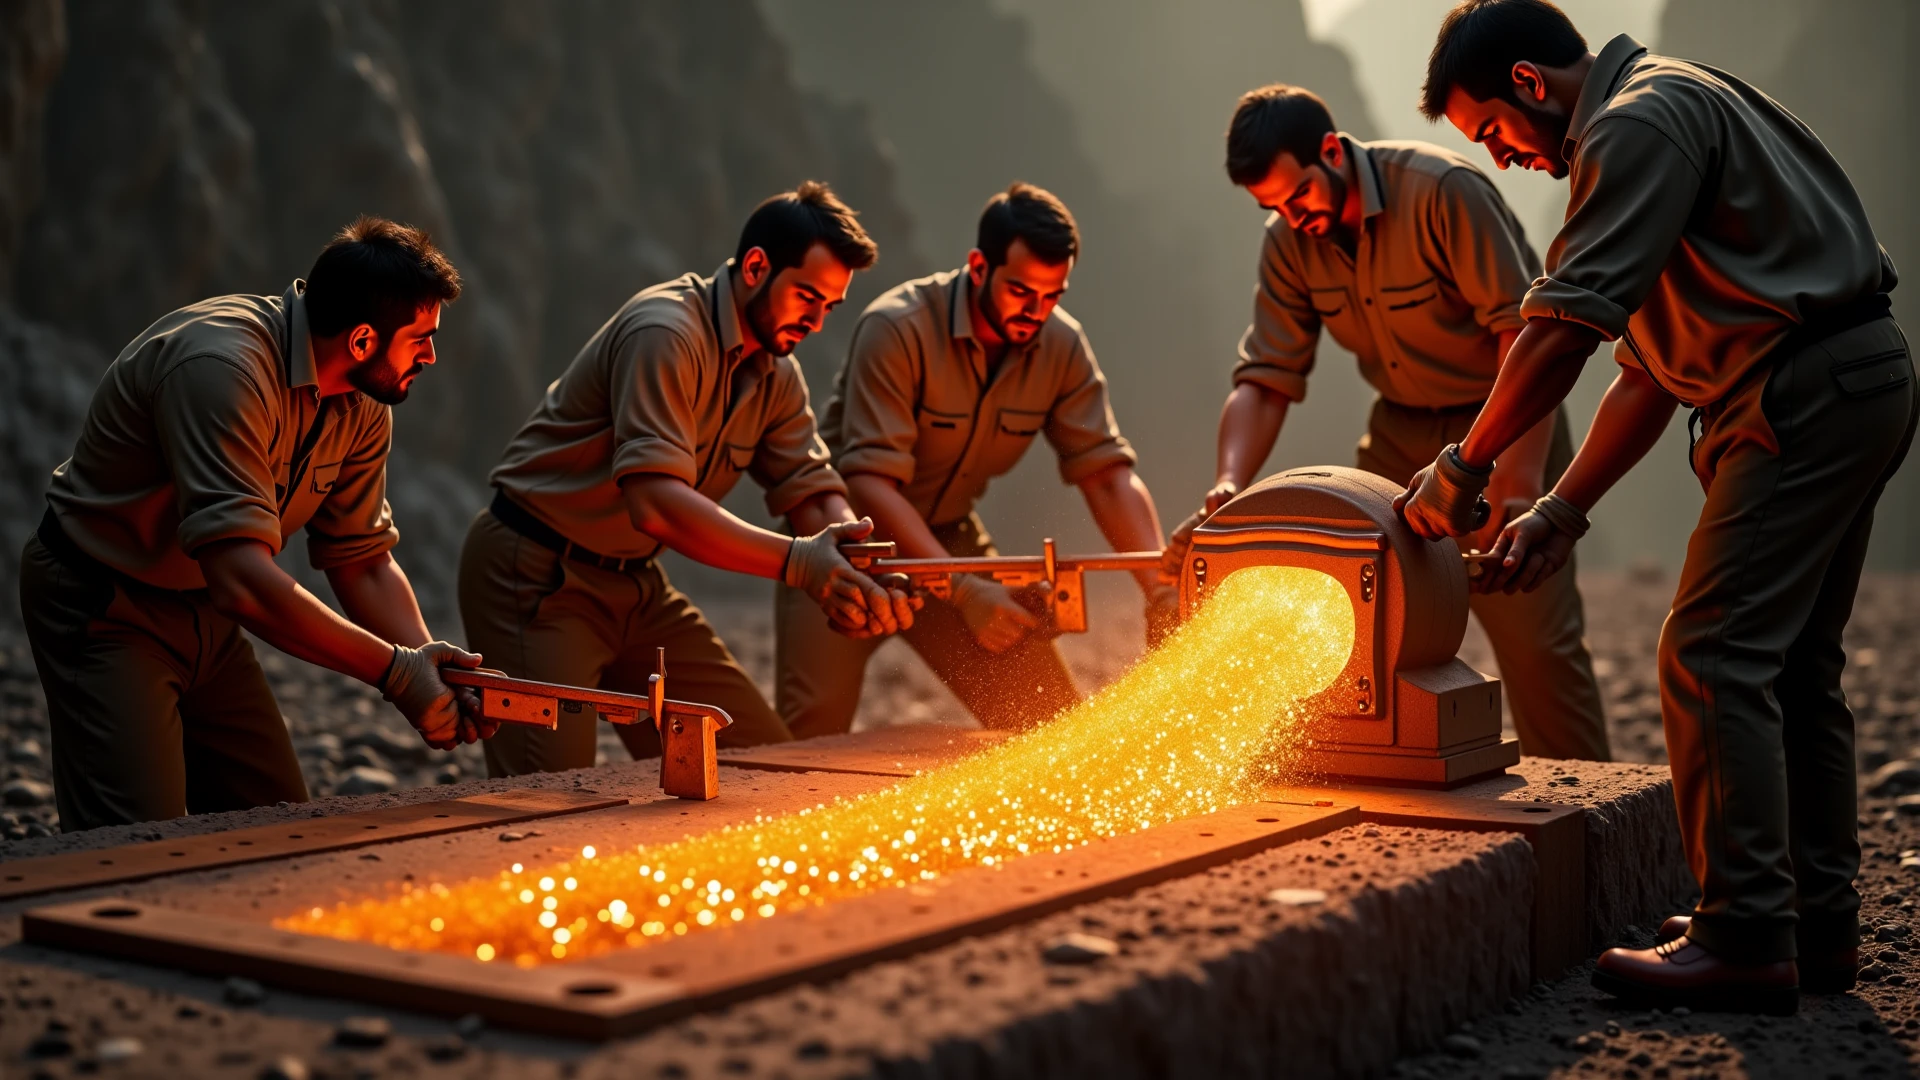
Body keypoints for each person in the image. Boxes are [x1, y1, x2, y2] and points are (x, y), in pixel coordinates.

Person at [1406, 0, 1913, 1011]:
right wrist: (1559, 509)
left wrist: (1462, 464)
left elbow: (1562, 330)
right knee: (1793, 664)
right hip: (1851, 376)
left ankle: (1744, 937)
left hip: (1794, 392)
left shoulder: (1632, 125)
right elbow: (1644, 371)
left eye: (1493, 134)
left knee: (1711, 653)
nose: (1503, 160)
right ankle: (1815, 928)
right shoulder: (1681, 100)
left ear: (1528, 85)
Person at [1166, 83, 1608, 760]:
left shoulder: (1442, 192)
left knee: (1535, 637)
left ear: (1332, 151)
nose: (1292, 216)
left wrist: (1514, 486)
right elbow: (1266, 378)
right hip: (1398, 435)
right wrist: (1227, 488)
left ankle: (1586, 806)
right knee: (1361, 626)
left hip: (1504, 417)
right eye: (1273, 207)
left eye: (1298, 195)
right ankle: (1374, 777)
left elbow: (1520, 335)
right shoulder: (1288, 240)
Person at [21, 216, 489, 831]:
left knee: (277, 826)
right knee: (131, 848)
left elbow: (362, 558)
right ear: (361, 340)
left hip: (211, 615)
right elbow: (242, 578)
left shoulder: (363, 401)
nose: (430, 355)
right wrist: (396, 675)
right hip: (105, 604)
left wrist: (429, 666)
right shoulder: (223, 369)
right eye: (420, 338)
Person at [464, 182, 916, 777]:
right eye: (806, 296)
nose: (816, 321)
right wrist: (805, 565)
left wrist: (855, 563)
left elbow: (811, 488)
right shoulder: (666, 331)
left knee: (763, 771)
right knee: (547, 796)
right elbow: (657, 506)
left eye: (829, 307)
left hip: (638, 587)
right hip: (534, 575)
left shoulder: (778, 373)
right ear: (756, 266)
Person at [775, 183, 1174, 737]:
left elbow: (1106, 476)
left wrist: (1159, 587)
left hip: (954, 537)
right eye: (1020, 291)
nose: (1036, 312)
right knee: (805, 743)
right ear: (979, 266)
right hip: (849, 550)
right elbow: (868, 484)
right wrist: (962, 590)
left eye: (1052, 295)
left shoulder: (1062, 346)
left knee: (1050, 728)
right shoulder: (897, 328)